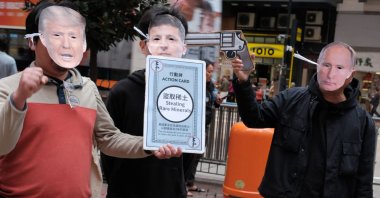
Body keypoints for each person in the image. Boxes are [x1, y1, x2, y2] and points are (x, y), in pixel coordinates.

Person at [0, 1, 181, 197]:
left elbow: (109, 138)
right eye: (55, 36)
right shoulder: (7, 88)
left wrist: (149, 144)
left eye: (72, 36)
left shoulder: (87, 87)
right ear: (32, 41)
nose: (65, 44)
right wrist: (19, 98)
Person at [231, 41, 376, 197]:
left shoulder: (363, 123)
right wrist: (243, 82)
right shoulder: (291, 99)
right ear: (318, 66)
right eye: (326, 65)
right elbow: (255, 118)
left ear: (351, 74)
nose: (330, 73)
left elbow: (364, 183)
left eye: (339, 68)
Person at [100, 5, 188, 198]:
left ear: (184, 47)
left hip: (171, 190)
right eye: (156, 38)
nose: (164, 45)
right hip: (126, 189)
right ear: (143, 45)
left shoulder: (189, 91)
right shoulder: (122, 91)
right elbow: (108, 147)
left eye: (172, 39)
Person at [183, 60, 222, 197]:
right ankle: (183, 186)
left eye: (212, 71)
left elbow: (210, 103)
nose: (210, 74)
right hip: (193, 126)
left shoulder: (209, 86)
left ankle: (190, 183)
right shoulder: (194, 84)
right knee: (189, 156)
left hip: (204, 125)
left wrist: (217, 101)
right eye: (208, 71)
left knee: (198, 155)